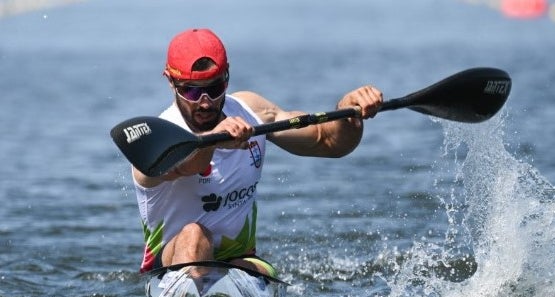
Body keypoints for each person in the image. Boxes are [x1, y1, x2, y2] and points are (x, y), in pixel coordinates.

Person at [133, 28, 383, 279]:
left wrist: (348, 113)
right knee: (193, 235)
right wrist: (213, 142)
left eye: (215, 87)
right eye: (192, 91)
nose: (206, 102)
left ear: (227, 77)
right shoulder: (156, 138)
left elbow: (329, 142)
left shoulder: (252, 111)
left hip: (240, 262)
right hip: (170, 266)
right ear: (170, 82)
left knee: (260, 272)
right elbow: (186, 166)